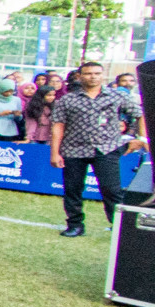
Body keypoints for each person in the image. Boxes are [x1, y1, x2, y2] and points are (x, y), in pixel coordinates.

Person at [51, 61, 147, 237]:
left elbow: (140, 114)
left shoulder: (116, 96)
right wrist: (55, 152)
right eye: (88, 73)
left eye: (97, 73)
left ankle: (118, 226)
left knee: (112, 190)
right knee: (72, 189)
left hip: (107, 149)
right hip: (73, 150)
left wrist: (141, 138)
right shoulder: (67, 99)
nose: (93, 77)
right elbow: (58, 126)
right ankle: (75, 225)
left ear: (103, 75)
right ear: (80, 76)